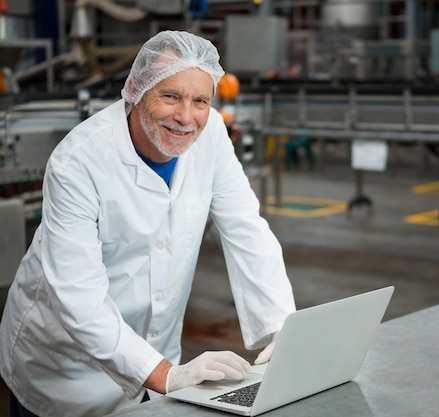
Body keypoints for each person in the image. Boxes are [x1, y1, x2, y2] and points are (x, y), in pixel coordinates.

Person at [0, 30, 296, 417]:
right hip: (64, 367)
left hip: (157, 354)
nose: (185, 117)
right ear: (136, 89)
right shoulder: (79, 160)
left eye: (200, 101)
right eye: (170, 96)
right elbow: (76, 294)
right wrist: (164, 375)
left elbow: (246, 228)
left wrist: (282, 328)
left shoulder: (211, 138)